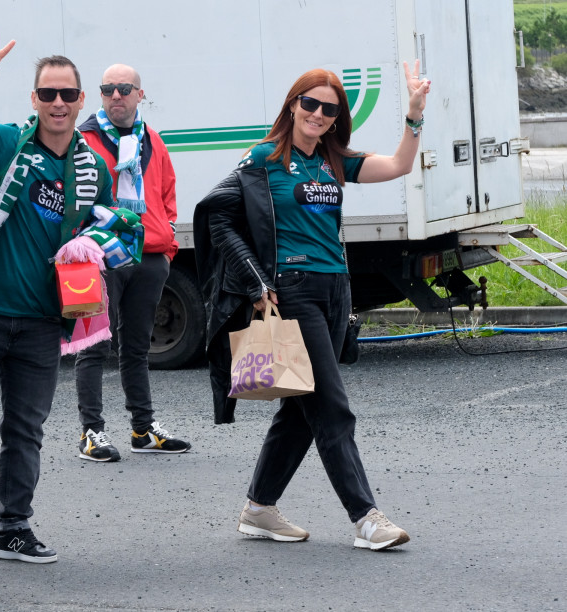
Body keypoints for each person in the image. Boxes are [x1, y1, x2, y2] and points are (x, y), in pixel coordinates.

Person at [195, 62, 431, 551]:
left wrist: (413, 116)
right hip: (291, 290)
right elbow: (218, 218)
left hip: (334, 291)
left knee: (300, 409)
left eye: (329, 108)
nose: (319, 114)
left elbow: (399, 166)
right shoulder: (261, 160)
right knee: (331, 405)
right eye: (310, 104)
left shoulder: (332, 160)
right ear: (292, 104)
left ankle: (259, 510)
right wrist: (256, 281)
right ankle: (366, 517)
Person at [0, 31, 119, 563]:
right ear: (33, 99)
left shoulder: (94, 169)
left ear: (82, 100)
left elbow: (106, 230)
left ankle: (12, 528)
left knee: (25, 430)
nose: (57, 104)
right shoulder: (5, 143)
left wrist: (101, 245)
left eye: (67, 95)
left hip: (43, 320)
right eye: (47, 94)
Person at [73, 64, 191, 462]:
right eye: (108, 88)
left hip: (150, 255)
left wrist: (166, 236)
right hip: (102, 256)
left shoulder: (152, 140)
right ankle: (92, 433)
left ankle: (143, 429)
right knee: (93, 345)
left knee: (137, 348)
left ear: (141, 94)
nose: (116, 95)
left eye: (124, 88)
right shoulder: (83, 140)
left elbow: (168, 193)